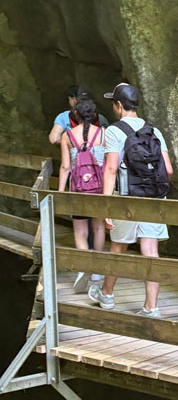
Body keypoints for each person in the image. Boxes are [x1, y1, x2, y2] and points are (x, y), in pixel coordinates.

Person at [87, 83, 172, 318]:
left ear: (118, 105)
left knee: (118, 247)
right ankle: (151, 307)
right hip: (154, 198)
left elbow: (111, 168)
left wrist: (107, 205)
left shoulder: (114, 131)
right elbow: (169, 169)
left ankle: (107, 295)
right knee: (150, 250)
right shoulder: (154, 131)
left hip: (126, 198)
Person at [58, 97, 106, 293]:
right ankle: (98, 270)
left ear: (75, 115)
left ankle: (84, 266)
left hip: (78, 189)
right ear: (95, 115)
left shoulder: (67, 136)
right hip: (100, 188)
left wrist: (61, 192)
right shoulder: (103, 133)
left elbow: (65, 166)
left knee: (80, 230)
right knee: (99, 226)